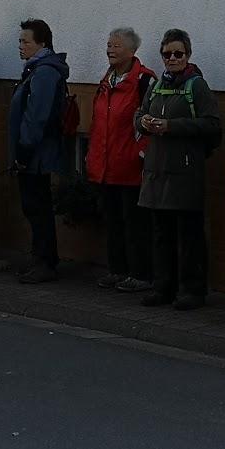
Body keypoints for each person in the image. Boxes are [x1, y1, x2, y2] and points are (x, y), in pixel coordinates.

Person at [135, 29, 221, 309]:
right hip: (157, 170)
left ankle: (193, 290)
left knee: (190, 234)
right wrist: (144, 121)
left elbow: (212, 125)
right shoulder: (157, 84)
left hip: (185, 171)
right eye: (167, 54)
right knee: (161, 234)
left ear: (188, 55)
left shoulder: (197, 86)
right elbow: (139, 113)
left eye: (178, 54)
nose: (172, 59)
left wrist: (172, 127)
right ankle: (163, 287)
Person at [86, 27, 155, 293]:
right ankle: (117, 269)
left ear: (132, 51)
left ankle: (141, 273)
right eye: (108, 45)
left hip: (130, 164)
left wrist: (141, 153)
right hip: (105, 164)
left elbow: (148, 121)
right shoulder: (107, 80)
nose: (110, 50)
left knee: (135, 222)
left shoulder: (144, 81)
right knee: (113, 220)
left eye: (116, 46)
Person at [8, 19, 69, 284]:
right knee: (33, 206)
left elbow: (37, 116)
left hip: (36, 153)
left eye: (26, 41)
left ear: (42, 44)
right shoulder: (36, 69)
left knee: (37, 206)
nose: (20, 46)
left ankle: (45, 261)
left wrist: (23, 151)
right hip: (33, 151)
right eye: (20, 41)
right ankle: (40, 258)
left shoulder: (44, 72)